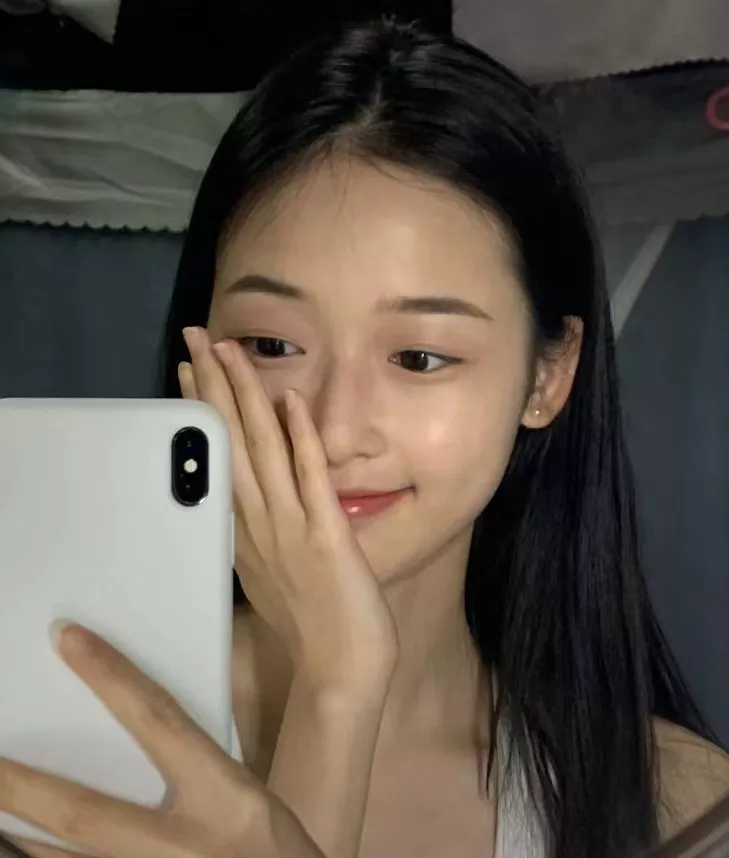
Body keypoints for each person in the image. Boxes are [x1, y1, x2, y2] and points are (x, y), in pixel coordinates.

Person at [0, 16, 727, 858]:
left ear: (546, 377)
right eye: (271, 345)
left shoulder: (676, 805)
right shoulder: (48, 752)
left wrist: (336, 690)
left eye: (419, 357)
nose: (334, 430)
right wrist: (334, 687)